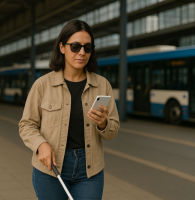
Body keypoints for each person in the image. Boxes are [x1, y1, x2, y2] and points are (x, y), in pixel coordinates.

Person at [19, 20, 120, 200]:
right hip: (51, 170)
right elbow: (27, 125)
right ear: (62, 47)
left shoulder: (102, 85)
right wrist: (40, 145)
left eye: (87, 47)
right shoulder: (42, 85)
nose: (82, 52)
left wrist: (103, 123)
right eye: (75, 46)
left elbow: (112, 132)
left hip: (90, 171)